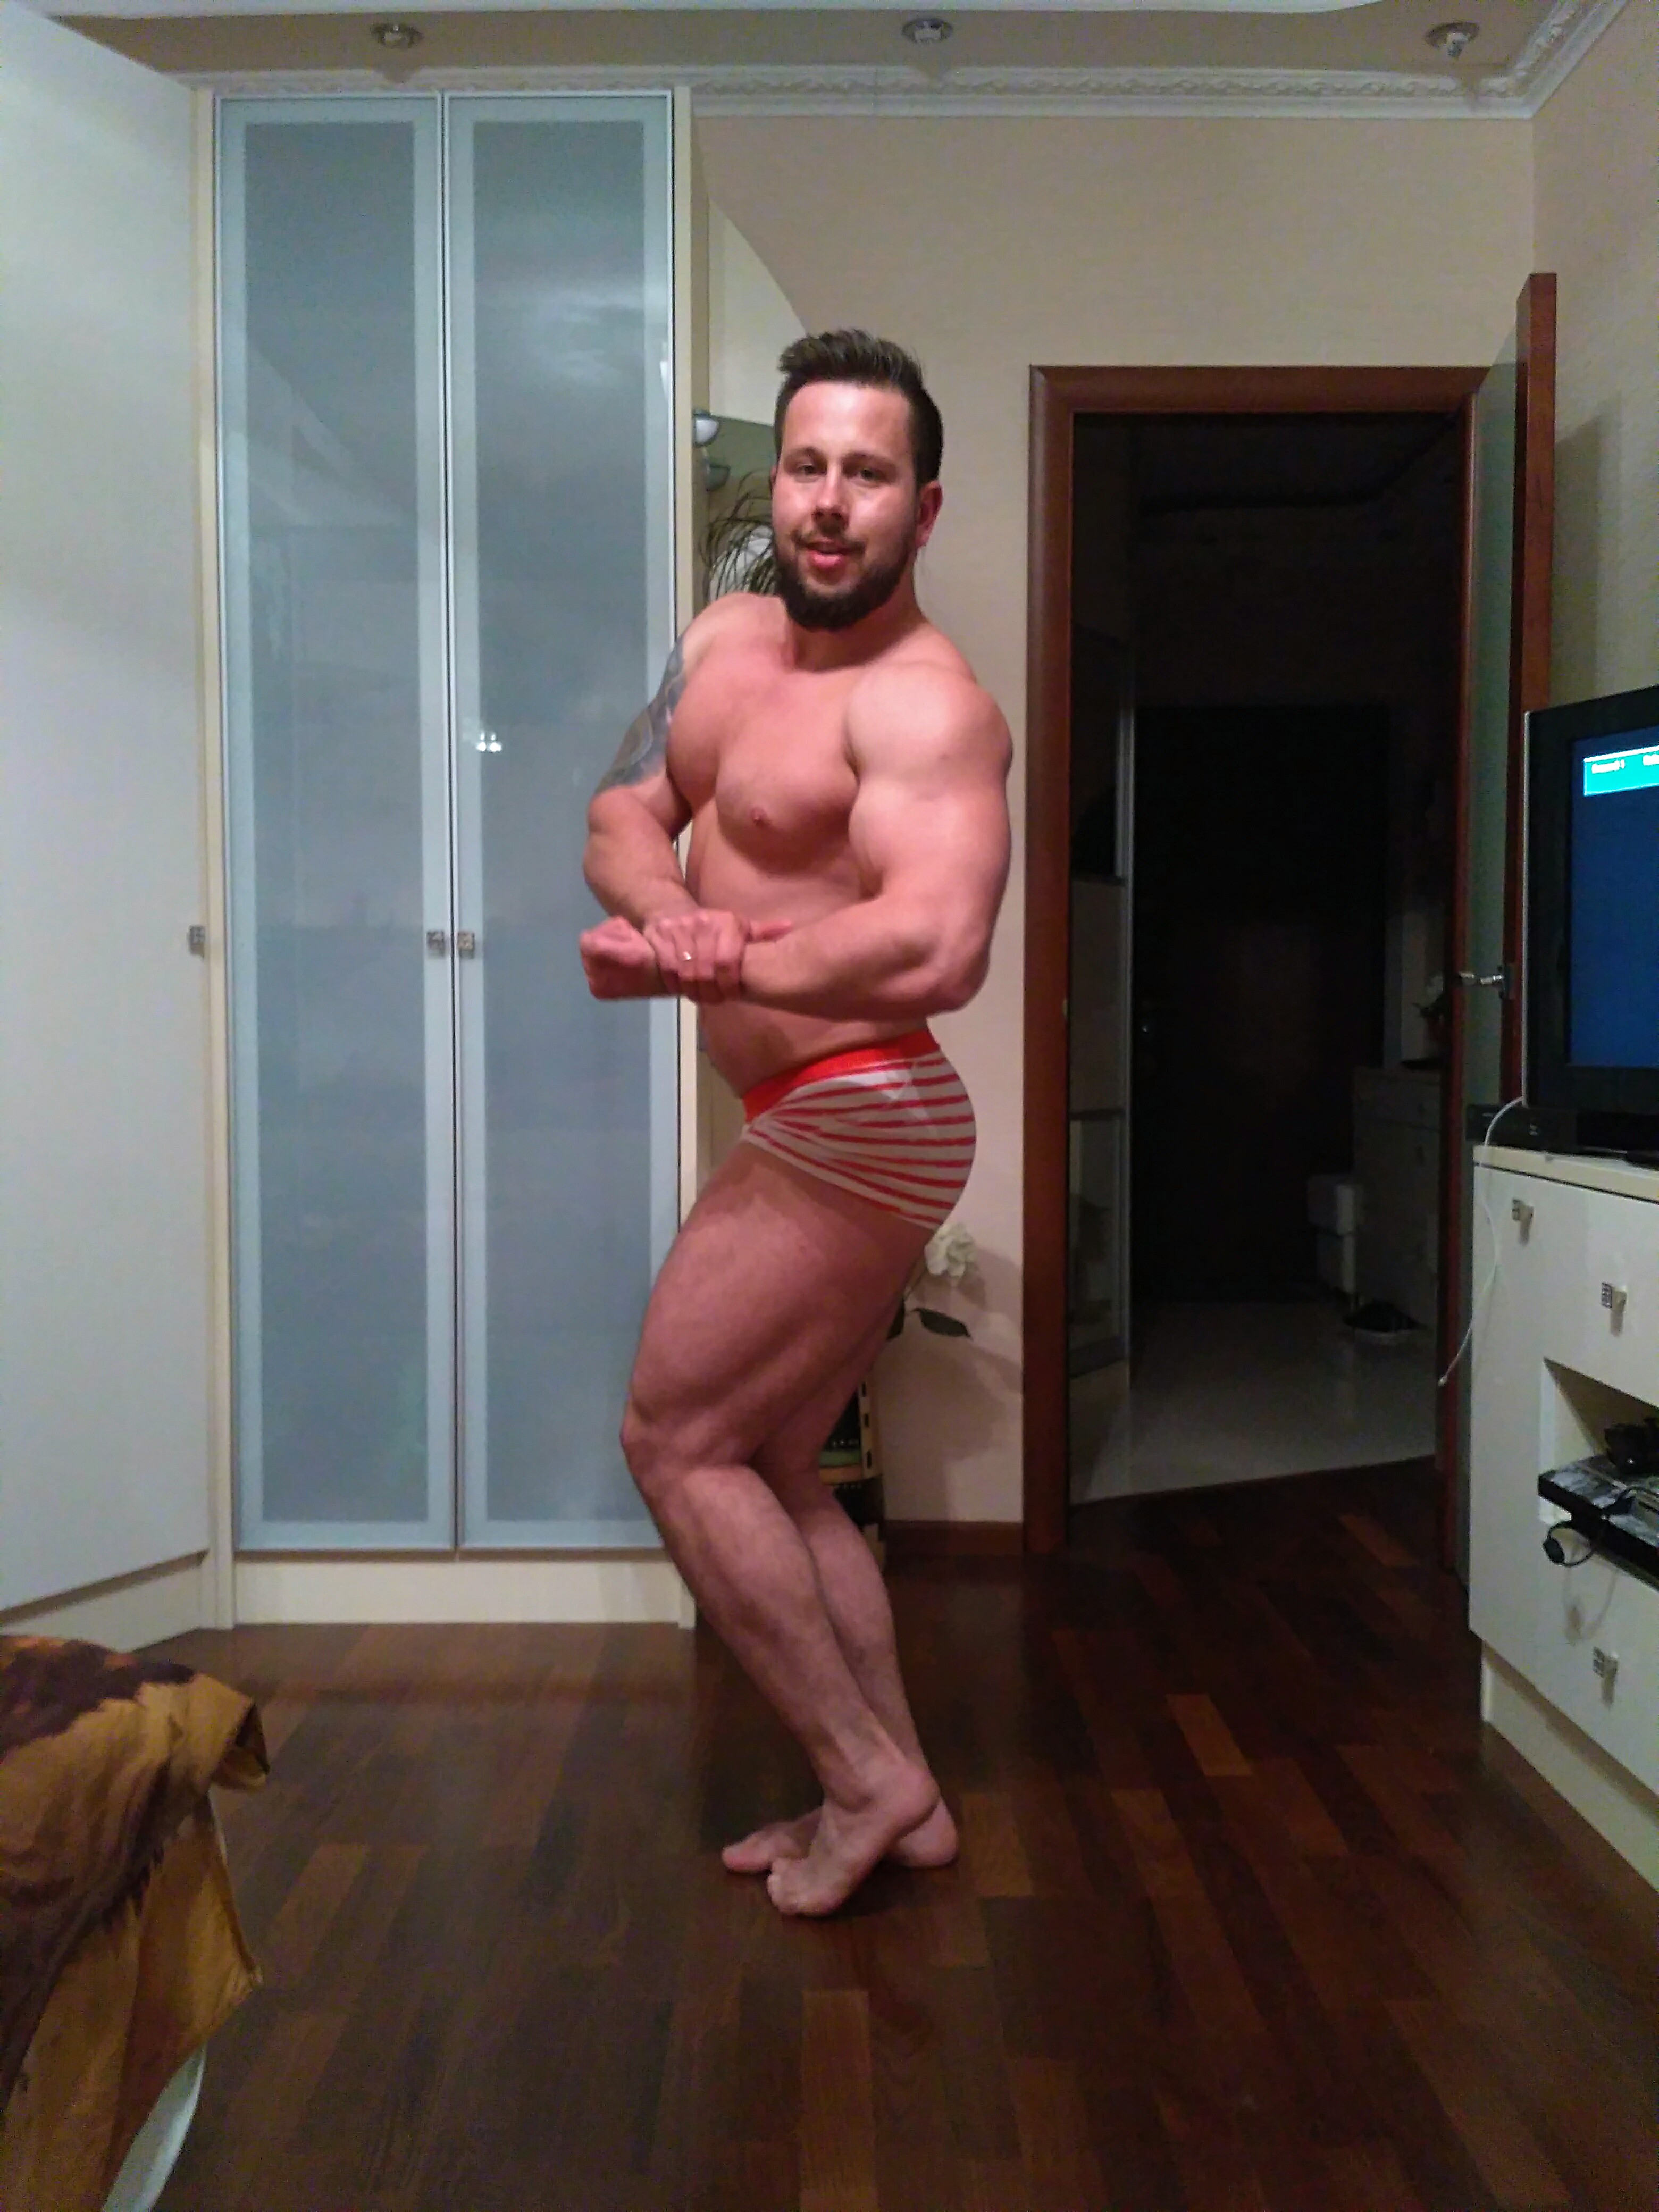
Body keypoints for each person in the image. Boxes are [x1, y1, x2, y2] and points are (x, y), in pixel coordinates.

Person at [579, 330, 1011, 1916]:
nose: (830, 502)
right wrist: (671, 919)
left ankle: (860, 1776)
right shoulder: (720, 640)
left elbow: (937, 945)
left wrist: (716, 960)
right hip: (804, 1103)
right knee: (769, 1454)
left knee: (672, 1439)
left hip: (866, 1107)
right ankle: (905, 1795)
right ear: (779, 480)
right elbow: (624, 811)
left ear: (924, 508)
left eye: (870, 475)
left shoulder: (928, 708)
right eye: (809, 466)